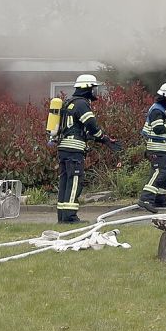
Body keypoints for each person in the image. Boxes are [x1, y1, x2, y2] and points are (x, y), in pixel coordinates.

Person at [54, 74, 121, 223]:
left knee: (65, 181)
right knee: (74, 182)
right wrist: (103, 137)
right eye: (93, 88)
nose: (94, 92)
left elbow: (77, 129)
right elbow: (91, 125)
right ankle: (70, 218)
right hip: (74, 150)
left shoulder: (69, 102)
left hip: (64, 148)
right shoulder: (82, 104)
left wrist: (101, 139)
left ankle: (62, 217)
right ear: (87, 88)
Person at [137, 83, 166, 213]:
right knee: (159, 172)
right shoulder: (157, 110)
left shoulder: (164, 110)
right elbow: (158, 129)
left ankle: (160, 199)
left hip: (165, 147)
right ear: (164, 97)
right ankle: (145, 199)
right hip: (156, 147)